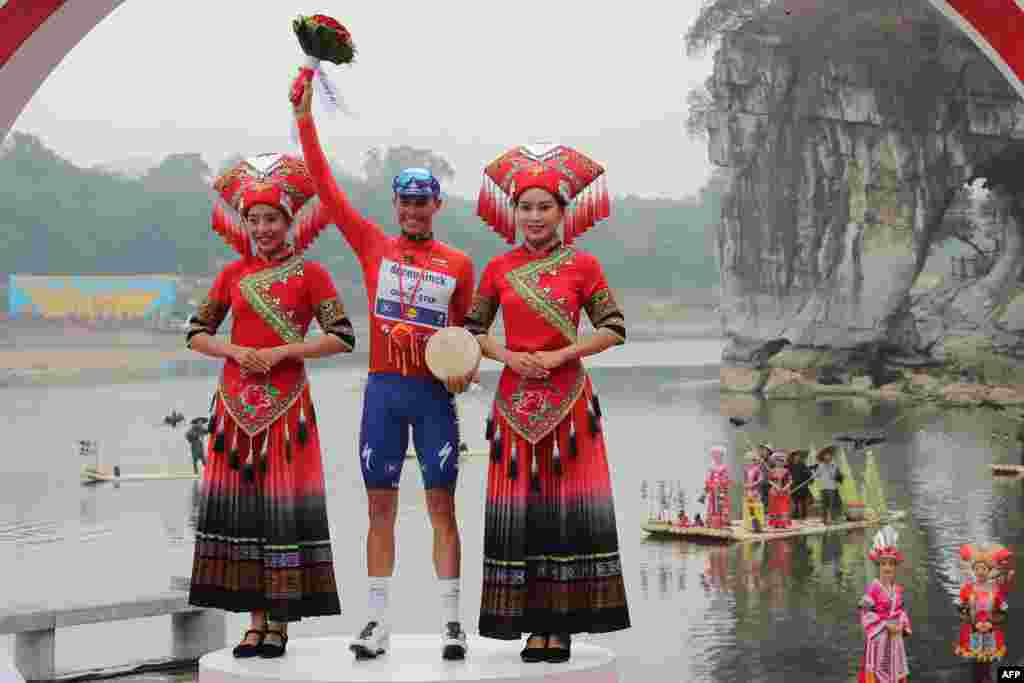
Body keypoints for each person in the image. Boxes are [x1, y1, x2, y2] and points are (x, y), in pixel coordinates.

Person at [290, 73, 476, 661]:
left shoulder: (459, 263)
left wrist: (465, 372)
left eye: (424, 202)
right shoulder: (371, 243)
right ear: (395, 205)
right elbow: (326, 186)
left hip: (432, 397)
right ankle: (376, 623)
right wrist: (303, 120)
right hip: (383, 393)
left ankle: (451, 623)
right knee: (379, 506)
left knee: (443, 506)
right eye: (406, 201)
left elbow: (468, 335)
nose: (415, 210)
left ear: (436, 206)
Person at [463, 142, 629, 663]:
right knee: (525, 514)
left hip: (569, 407)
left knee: (566, 514)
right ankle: (532, 625)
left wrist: (563, 355)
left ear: (563, 212)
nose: (534, 217)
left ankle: (564, 627)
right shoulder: (497, 268)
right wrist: (508, 356)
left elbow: (614, 329)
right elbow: (472, 333)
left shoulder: (584, 265)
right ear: (514, 212)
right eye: (526, 207)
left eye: (544, 207)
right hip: (514, 407)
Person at [186, 152, 356, 659]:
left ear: (290, 223)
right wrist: (234, 350)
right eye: (254, 219)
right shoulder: (231, 274)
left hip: (286, 410)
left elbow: (342, 338)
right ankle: (254, 621)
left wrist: (284, 351)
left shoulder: (312, 274)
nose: (262, 228)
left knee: (280, 513)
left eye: (271, 219)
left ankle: (279, 624)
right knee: (244, 516)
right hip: (235, 410)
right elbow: (196, 334)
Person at [857, 526, 911, 683]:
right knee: (879, 671)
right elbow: (866, 614)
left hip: (894, 639)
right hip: (878, 639)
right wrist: (885, 625)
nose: (887, 567)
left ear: (895, 567)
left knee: (895, 670)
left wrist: (902, 625)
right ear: (878, 566)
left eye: (891, 564)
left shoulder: (898, 590)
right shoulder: (872, 589)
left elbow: (901, 612)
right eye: (883, 564)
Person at [956, 543, 1010, 682]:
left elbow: (1003, 612)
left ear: (989, 571)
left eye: (984, 568)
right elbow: (961, 611)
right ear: (973, 570)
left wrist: (991, 624)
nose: (980, 571)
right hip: (973, 631)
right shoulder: (967, 590)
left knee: (988, 666)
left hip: (990, 631)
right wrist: (974, 624)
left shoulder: (995, 591)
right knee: (975, 666)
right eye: (977, 568)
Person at [811, 445, 842, 524]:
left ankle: (833, 519)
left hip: (832, 488)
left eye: (828, 455)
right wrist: (814, 472)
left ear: (831, 456)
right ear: (823, 457)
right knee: (824, 505)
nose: (827, 457)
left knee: (832, 505)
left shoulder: (834, 465)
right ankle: (824, 519)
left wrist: (829, 467)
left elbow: (834, 476)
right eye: (825, 455)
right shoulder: (820, 465)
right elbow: (817, 475)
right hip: (823, 487)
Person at [703, 445, 731, 529]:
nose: (716, 456)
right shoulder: (711, 467)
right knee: (712, 505)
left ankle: (722, 523)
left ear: (721, 456)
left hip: (721, 490)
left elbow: (726, 479)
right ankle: (711, 522)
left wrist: (721, 484)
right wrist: (708, 486)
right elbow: (708, 479)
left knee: (721, 505)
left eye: (718, 455)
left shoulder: (724, 467)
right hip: (712, 489)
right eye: (715, 455)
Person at [766, 451, 792, 529]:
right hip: (774, 492)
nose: (779, 462)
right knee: (775, 507)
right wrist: (775, 486)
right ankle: (775, 523)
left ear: (784, 462)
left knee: (783, 507)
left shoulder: (786, 471)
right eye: (777, 460)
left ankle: (783, 523)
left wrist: (785, 488)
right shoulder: (772, 471)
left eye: (781, 461)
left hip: (784, 492)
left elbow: (790, 481)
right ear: (774, 461)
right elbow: (769, 480)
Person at [742, 449, 766, 533]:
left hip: (755, 491)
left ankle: (758, 524)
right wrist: (745, 485)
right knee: (749, 507)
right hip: (748, 490)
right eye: (747, 461)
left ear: (754, 461)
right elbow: (744, 480)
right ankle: (751, 523)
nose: (749, 462)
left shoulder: (757, 469)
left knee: (756, 506)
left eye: (750, 461)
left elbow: (761, 479)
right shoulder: (746, 470)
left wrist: (753, 484)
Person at [787, 449, 813, 520]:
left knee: (803, 502)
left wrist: (810, 478)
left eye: (798, 456)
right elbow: (787, 475)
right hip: (794, 486)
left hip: (803, 486)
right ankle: (795, 515)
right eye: (795, 456)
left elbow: (809, 474)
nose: (797, 457)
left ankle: (804, 516)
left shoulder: (803, 465)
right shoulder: (789, 466)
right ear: (793, 457)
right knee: (795, 502)